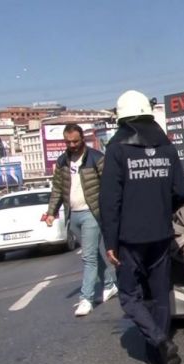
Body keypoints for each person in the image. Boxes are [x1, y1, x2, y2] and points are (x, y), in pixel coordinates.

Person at [100, 90, 184, 364]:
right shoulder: (166, 146)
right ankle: (160, 353)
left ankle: (160, 341)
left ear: (121, 117)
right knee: (161, 294)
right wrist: (163, 210)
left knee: (129, 296)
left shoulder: (117, 149)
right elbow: (182, 191)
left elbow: (110, 201)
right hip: (162, 233)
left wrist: (110, 241)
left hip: (129, 237)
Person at [45, 124, 118, 317]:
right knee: (92, 253)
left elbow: (109, 186)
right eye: (68, 142)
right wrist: (52, 212)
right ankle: (110, 285)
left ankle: (86, 298)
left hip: (91, 213)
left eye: (75, 141)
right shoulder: (62, 162)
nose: (72, 145)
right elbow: (58, 190)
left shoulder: (96, 158)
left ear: (82, 139)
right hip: (73, 214)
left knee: (87, 257)